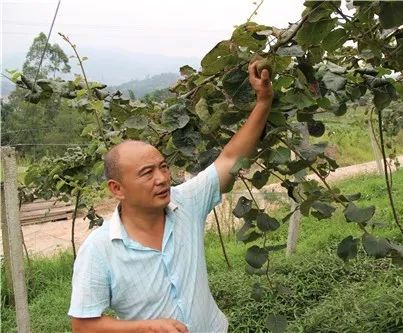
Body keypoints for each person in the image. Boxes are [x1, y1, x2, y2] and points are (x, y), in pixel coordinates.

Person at [68, 60, 273, 333]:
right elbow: (83, 325)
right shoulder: (100, 249)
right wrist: (145, 328)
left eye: (163, 166)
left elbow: (231, 158)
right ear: (117, 189)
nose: (162, 178)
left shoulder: (186, 201)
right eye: (146, 172)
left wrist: (263, 101)